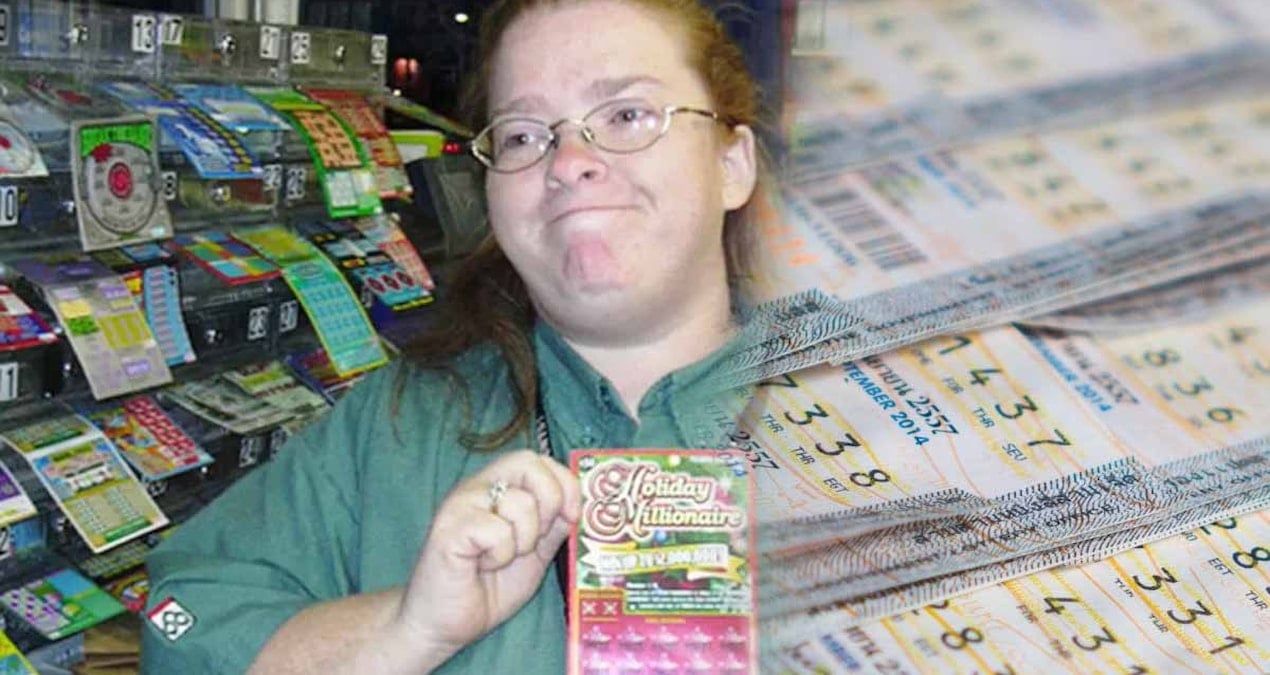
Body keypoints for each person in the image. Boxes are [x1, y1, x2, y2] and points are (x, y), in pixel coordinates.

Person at [141, 0, 769, 672]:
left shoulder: (849, 425)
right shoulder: (399, 425)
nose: (568, 162)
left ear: (731, 164)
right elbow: (180, 620)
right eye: (523, 136)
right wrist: (407, 628)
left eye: (626, 115)